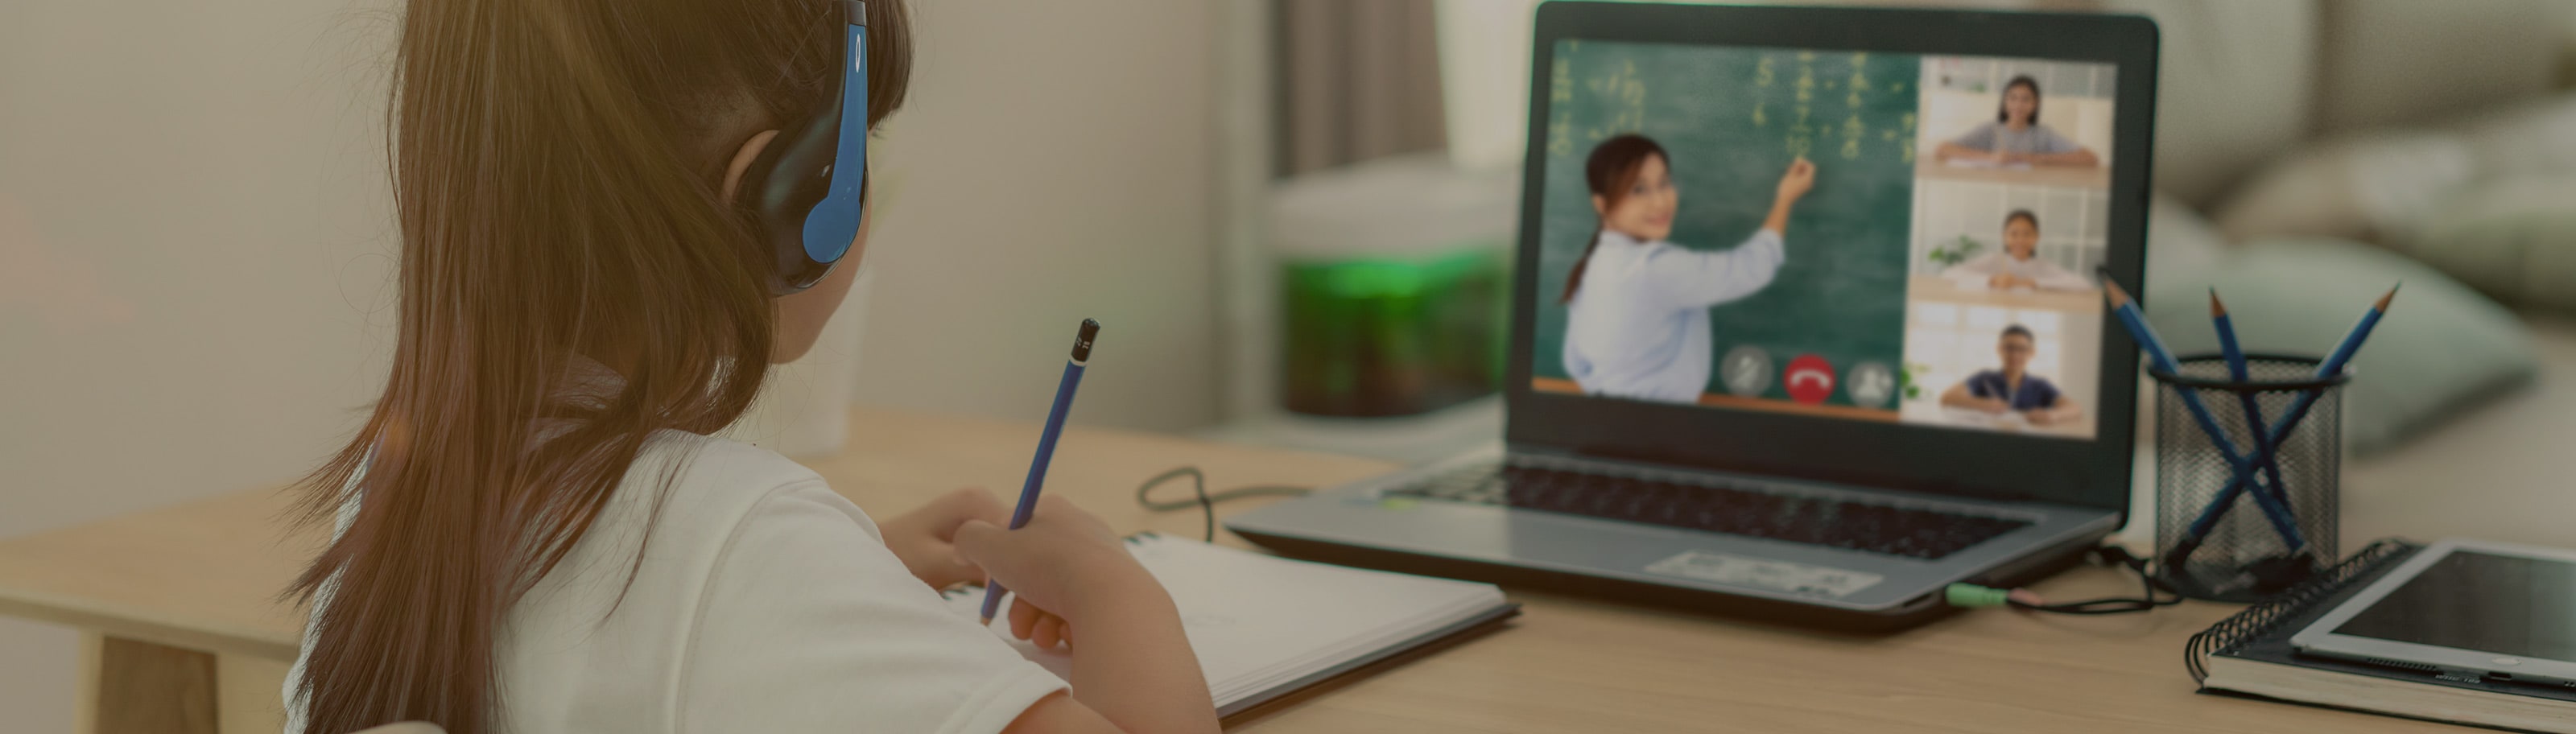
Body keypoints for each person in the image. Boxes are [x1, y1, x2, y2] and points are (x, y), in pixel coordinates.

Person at [279, 2, 1218, 733]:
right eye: (863, 145)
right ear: (791, 201)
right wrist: (1113, 591)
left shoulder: (398, 492)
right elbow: (718, 582)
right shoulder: (741, 546)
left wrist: (845, 577)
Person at [1560, 134, 1816, 403]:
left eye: (1664, 183)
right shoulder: (1653, 268)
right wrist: (1785, 199)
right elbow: (1754, 267)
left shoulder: (1592, 265)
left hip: (1604, 413)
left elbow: (1576, 363)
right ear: (1601, 205)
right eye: (1639, 189)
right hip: (1654, 421)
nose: (1660, 202)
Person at [1932, 75, 2100, 168]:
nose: (2018, 105)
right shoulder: (1990, 129)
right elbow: (1942, 149)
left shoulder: (2043, 133)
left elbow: (2090, 158)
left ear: (2035, 104)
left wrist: (2037, 159)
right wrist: (1990, 158)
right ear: (2005, 102)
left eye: (2026, 99)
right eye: (2013, 98)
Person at [1940, 325, 2084, 427]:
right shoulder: (1984, 378)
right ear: (2000, 349)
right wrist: (1983, 404)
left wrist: (2052, 415)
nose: (2015, 354)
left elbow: (2074, 408)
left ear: (2031, 352)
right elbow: (1947, 397)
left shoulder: (2040, 385)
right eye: (2009, 348)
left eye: (2022, 349)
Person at [1942, 209, 2091, 291]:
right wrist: (1992, 280)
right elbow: (1949, 274)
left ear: (2037, 237)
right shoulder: (1994, 260)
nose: (2020, 240)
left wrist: (2034, 282)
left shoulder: (2042, 265)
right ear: (2004, 236)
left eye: (2027, 234)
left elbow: (2083, 284)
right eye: (2014, 234)